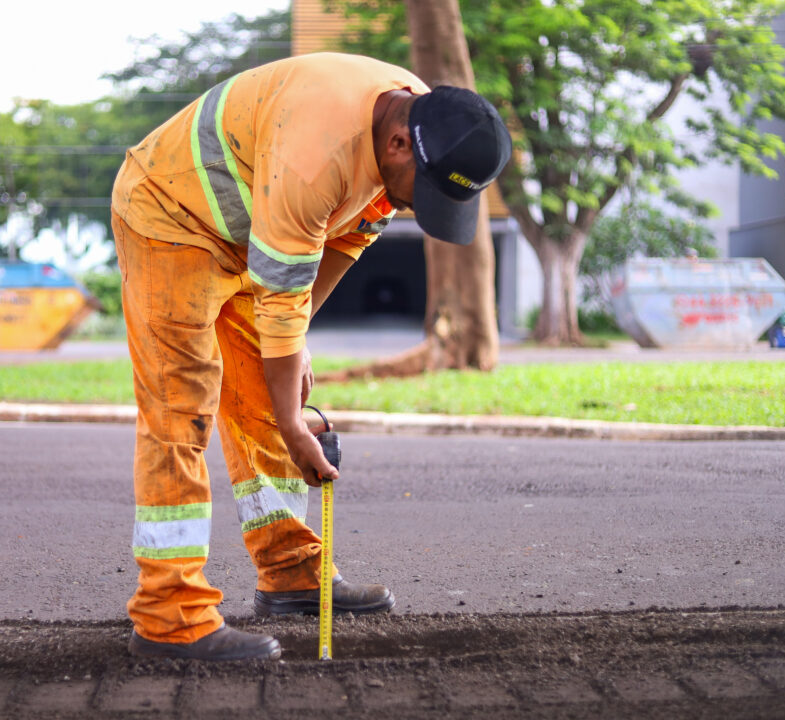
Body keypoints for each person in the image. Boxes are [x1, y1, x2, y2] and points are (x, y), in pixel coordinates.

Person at [111, 52, 511, 661]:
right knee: (181, 411)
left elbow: (346, 237)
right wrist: (295, 418)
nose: (413, 206)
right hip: (171, 220)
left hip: (251, 238)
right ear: (399, 144)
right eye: (421, 194)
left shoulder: (424, 118)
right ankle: (170, 614)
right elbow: (283, 288)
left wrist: (292, 352)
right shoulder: (316, 151)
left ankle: (291, 571)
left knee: (266, 399)